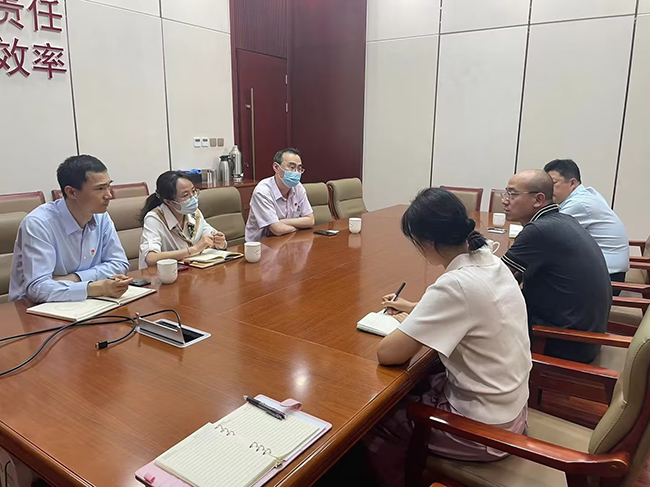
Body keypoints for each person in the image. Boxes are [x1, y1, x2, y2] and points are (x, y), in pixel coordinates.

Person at [364, 188, 531, 486]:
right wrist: (415, 310)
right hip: (511, 409)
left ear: (427, 242)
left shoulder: (456, 285)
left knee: (377, 420)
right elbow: (470, 305)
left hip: (483, 433)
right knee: (424, 379)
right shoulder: (490, 259)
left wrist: (410, 324)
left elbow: (388, 354)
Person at [501, 169, 611, 363]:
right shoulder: (562, 220)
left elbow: (494, 280)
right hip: (585, 337)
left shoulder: (539, 230)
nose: (504, 200)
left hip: (561, 342)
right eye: (506, 193)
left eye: (512, 194)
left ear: (538, 200)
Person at [9, 155, 131, 303]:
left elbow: (120, 264)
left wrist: (76, 278)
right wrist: (93, 288)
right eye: (100, 188)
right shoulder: (38, 224)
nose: (109, 195)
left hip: (88, 302)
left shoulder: (101, 216)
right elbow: (38, 288)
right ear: (71, 192)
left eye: (108, 186)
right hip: (33, 308)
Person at [544, 159, 629, 285]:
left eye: (553, 184)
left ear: (572, 183)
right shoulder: (586, 195)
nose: (548, 190)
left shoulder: (580, 204)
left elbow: (547, 233)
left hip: (605, 279)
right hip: (604, 271)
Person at [138, 171, 227, 269]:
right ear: (168, 202)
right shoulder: (154, 219)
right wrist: (193, 250)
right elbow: (151, 258)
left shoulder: (194, 213)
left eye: (193, 191)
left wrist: (219, 242)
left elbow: (209, 235)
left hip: (190, 272)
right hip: (162, 275)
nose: (193, 198)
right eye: (185, 195)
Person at [245, 148, 314, 242]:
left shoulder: (298, 187)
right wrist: (299, 226)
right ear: (276, 167)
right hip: (262, 245)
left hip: (289, 240)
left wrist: (283, 222)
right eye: (292, 167)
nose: (296, 172)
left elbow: (310, 220)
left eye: (299, 168)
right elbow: (277, 230)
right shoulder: (262, 192)